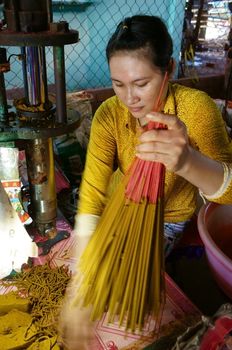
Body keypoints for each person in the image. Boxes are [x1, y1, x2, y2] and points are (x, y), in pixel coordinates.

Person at [59, 14, 232, 349]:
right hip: (118, 203)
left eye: (141, 84)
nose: (130, 98)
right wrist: (81, 285)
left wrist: (188, 162)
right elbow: (93, 192)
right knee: (89, 267)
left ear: (168, 68)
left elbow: (228, 196)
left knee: (129, 283)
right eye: (118, 84)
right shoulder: (110, 113)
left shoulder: (196, 109)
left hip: (168, 218)